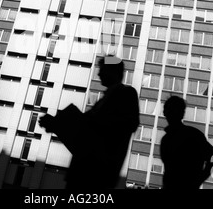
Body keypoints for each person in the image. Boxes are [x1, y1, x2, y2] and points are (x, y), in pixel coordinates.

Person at [39, 55, 140, 189]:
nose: (99, 73)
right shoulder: (104, 100)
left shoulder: (127, 93)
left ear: (112, 71)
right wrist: (57, 124)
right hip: (84, 173)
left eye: (102, 69)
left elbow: (124, 124)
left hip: (96, 175)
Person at [160, 96, 213, 189]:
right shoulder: (193, 135)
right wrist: (199, 180)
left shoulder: (168, 139)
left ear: (164, 112)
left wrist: (199, 180)